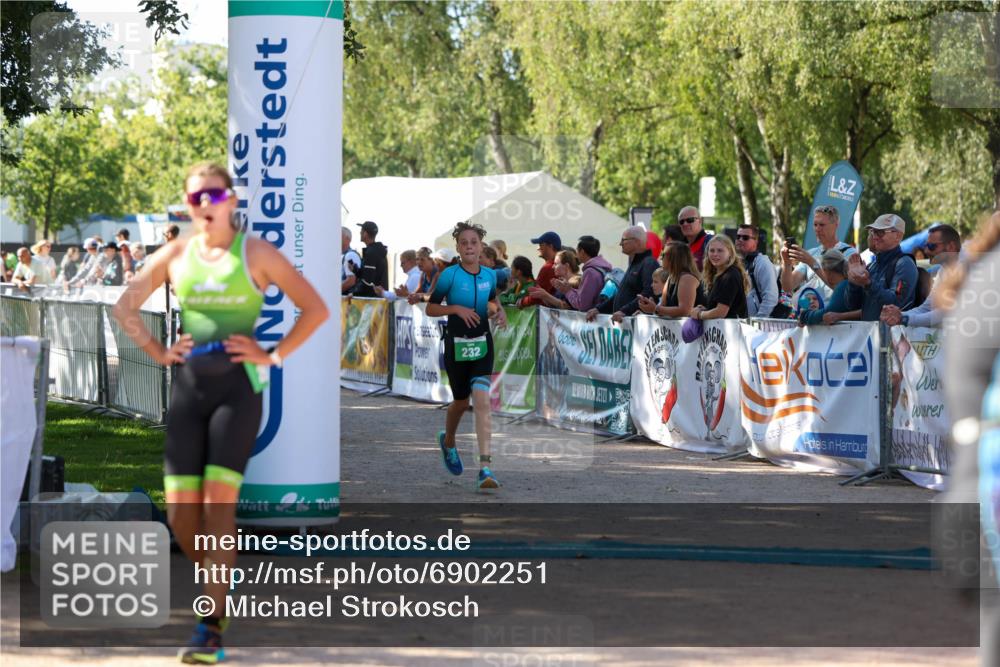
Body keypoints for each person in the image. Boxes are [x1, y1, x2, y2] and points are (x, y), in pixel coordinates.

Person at [112, 162, 329, 664]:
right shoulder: (176, 252)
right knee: (182, 518)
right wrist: (158, 349)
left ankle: (210, 624)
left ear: (230, 200)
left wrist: (273, 355)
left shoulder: (256, 253)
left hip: (238, 390)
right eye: (194, 200)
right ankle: (218, 583)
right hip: (188, 389)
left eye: (212, 196)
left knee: (218, 507)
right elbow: (125, 305)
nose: (203, 207)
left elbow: (315, 309)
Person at [426, 221, 507, 492]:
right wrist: (457, 309)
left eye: (474, 242)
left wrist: (499, 310)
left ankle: (485, 468)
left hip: (482, 345)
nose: (470, 246)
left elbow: (492, 302)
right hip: (456, 346)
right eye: (464, 243)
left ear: (481, 246)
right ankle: (448, 440)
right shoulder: (449, 275)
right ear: (458, 248)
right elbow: (431, 308)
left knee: (482, 400)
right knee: (460, 403)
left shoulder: (490, 275)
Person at [881, 224, 963, 328]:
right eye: (926, 246)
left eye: (932, 246)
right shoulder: (944, 270)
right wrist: (899, 315)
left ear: (951, 246)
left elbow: (944, 312)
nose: (926, 251)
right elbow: (927, 308)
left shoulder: (968, 266)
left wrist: (904, 318)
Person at [845, 213, 917, 321]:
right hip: (871, 335)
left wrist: (868, 284)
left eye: (880, 232)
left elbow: (896, 303)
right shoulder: (872, 266)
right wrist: (854, 281)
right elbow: (852, 305)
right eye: (873, 232)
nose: (874, 237)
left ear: (898, 236)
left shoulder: (904, 264)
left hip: (891, 335)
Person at [780, 204, 857, 300]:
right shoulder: (811, 253)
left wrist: (812, 262)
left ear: (836, 225)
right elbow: (788, 288)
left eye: (822, 225)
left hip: (832, 312)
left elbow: (841, 289)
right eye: (815, 225)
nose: (817, 229)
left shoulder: (849, 253)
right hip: (809, 312)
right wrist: (786, 264)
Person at [586, 225, 658, 323]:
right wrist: (598, 309)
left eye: (623, 240)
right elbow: (621, 295)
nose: (620, 243)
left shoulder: (648, 263)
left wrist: (624, 311)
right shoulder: (636, 263)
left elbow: (647, 294)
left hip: (637, 328)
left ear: (636, 241)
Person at [638, 241, 706, 318]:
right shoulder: (671, 277)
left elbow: (685, 310)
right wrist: (649, 305)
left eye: (663, 255)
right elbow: (663, 307)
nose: (660, 257)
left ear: (674, 258)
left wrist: (655, 308)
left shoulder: (687, 278)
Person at [690, 235, 749, 321]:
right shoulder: (717, 274)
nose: (715, 254)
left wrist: (699, 314)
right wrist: (705, 309)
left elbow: (721, 312)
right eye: (712, 250)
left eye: (720, 250)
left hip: (733, 332)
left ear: (730, 253)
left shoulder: (730, 275)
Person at [798, 249, 860, 326]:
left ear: (827, 271)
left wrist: (805, 316)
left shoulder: (843, 286)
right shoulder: (846, 284)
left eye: (823, 271)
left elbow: (827, 313)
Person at [557, 235, 612, 312]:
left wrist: (567, 291)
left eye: (577, 251)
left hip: (593, 320)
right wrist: (570, 289)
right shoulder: (603, 267)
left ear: (582, 252)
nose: (576, 256)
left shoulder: (590, 272)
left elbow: (582, 305)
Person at [735, 225, 779, 317]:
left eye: (745, 237)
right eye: (738, 237)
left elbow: (771, 297)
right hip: (739, 324)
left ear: (756, 241)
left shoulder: (763, 263)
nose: (740, 240)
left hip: (756, 327)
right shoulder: (735, 263)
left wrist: (758, 322)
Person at [352, 220, 388, 298]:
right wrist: (356, 270)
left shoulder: (371, 252)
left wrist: (353, 294)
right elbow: (371, 276)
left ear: (365, 234)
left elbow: (368, 282)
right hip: (376, 300)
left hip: (371, 301)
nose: (360, 233)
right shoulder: (376, 250)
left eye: (361, 231)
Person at [676, 206, 712, 271]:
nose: (685, 224)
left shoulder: (711, 242)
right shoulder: (681, 248)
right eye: (681, 221)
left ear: (700, 221)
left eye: (690, 220)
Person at [341, 226, 363, 295]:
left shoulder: (350, 256)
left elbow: (351, 281)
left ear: (347, 239)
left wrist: (333, 292)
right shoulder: (344, 255)